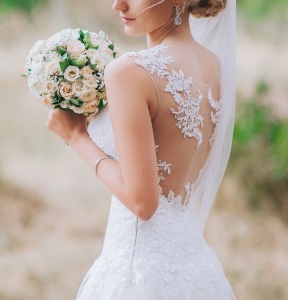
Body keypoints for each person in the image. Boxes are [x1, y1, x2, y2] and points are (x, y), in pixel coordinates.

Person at [47, 0, 236, 299]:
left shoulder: (129, 72)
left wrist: (77, 137)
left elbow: (143, 203)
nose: (117, 4)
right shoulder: (214, 65)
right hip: (193, 264)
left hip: (139, 274)